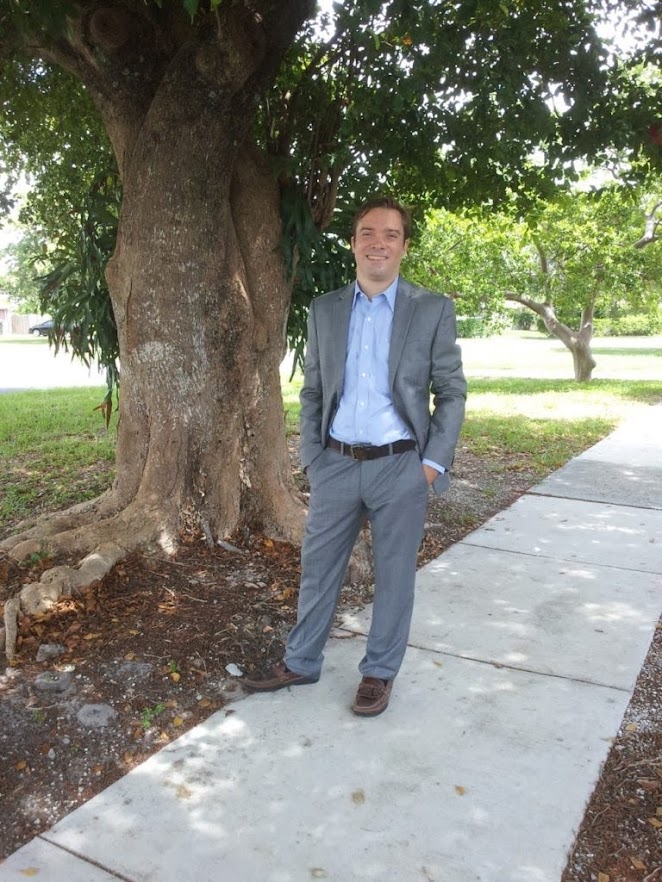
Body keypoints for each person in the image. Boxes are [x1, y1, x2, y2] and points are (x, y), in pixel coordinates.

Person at [244, 196, 467, 716]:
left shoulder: (431, 309)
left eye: (390, 234)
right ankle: (301, 660)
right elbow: (314, 390)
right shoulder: (324, 310)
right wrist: (312, 458)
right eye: (368, 232)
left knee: (394, 576)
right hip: (336, 464)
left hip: (401, 466)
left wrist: (431, 465)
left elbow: (451, 391)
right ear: (353, 243)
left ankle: (379, 672)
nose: (378, 243)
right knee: (318, 568)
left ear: (404, 246)